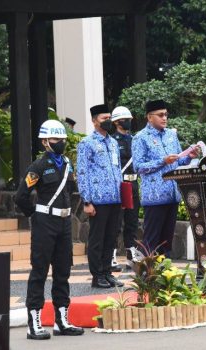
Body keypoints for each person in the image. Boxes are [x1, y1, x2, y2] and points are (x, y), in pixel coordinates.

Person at [15, 119, 84, 340]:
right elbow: (21, 196)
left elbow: (70, 190)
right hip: (45, 222)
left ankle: (61, 320)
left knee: (63, 272)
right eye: (56, 139)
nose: (61, 143)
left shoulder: (66, 164)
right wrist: (34, 214)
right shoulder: (38, 166)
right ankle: (33, 323)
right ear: (45, 142)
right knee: (39, 272)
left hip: (64, 223)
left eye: (63, 139)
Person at [132, 100, 197, 256]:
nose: (165, 118)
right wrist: (162, 161)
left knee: (166, 242)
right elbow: (138, 167)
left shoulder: (171, 135)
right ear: (149, 117)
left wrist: (189, 156)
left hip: (172, 194)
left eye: (166, 114)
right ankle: (146, 276)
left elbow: (179, 160)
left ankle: (163, 276)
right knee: (151, 240)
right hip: (154, 197)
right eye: (160, 115)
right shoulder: (140, 137)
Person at [76, 104, 124, 289]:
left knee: (111, 238)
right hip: (97, 200)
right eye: (104, 118)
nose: (108, 121)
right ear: (94, 121)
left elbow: (117, 169)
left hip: (114, 198)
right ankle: (97, 276)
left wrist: (122, 196)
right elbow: (82, 172)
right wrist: (86, 201)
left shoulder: (113, 143)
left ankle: (107, 272)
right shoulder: (86, 143)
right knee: (97, 239)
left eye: (109, 118)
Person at [110, 106, 139, 271]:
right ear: (115, 122)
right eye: (123, 119)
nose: (127, 121)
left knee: (132, 221)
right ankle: (112, 255)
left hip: (133, 183)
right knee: (116, 222)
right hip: (120, 184)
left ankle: (131, 254)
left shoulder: (135, 139)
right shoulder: (112, 141)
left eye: (129, 118)